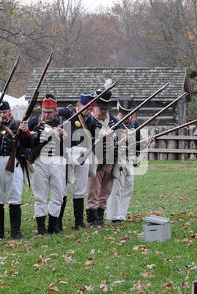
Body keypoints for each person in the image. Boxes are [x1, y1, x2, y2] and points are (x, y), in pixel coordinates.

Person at [28, 94, 67, 235]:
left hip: (57, 160)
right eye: (44, 112)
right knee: (40, 196)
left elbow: (69, 144)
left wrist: (62, 135)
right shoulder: (33, 122)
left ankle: (53, 227)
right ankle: (41, 228)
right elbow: (28, 143)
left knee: (58, 195)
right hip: (40, 161)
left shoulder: (63, 122)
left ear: (56, 112)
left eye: (49, 112)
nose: (46, 115)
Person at [57, 92, 97, 231]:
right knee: (64, 188)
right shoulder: (68, 113)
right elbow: (55, 112)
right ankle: (58, 222)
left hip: (83, 154)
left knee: (80, 189)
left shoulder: (90, 120)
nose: (88, 111)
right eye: (86, 108)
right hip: (68, 153)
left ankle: (79, 221)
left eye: (90, 109)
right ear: (79, 105)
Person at [0, 101, 30, 239]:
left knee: (14, 196)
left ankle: (15, 232)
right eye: (0, 113)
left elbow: (28, 143)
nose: (2, 115)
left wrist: (25, 132)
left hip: (14, 163)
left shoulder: (17, 124)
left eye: (4, 112)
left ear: (9, 112)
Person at [86, 89, 120, 227]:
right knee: (93, 190)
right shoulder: (88, 121)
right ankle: (91, 219)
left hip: (110, 160)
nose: (103, 112)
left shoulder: (113, 120)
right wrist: (100, 135)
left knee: (105, 191)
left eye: (105, 109)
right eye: (101, 108)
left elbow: (120, 136)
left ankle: (99, 217)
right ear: (94, 106)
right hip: (95, 160)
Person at [106, 96, 140, 224]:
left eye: (126, 113)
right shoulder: (113, 125)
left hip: (130, 160)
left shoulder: (135, 125)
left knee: (128, 189)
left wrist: (146, 143)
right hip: (118, 160)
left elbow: (138, 145)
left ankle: (121, 215)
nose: (124, 116)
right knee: (117, 189)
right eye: (122, 113)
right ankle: (114, 216)